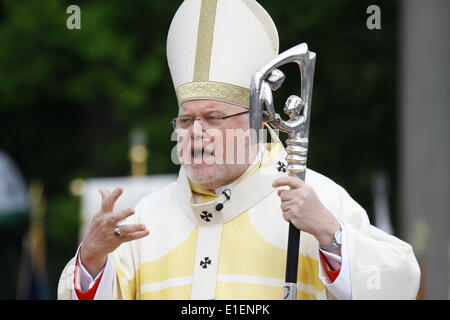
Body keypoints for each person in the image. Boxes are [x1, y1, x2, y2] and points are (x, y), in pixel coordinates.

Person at [58, 0, 420, 300]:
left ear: (258, 121)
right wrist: (90, 260)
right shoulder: (143, 221)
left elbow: (400, 285)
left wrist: (330, 235)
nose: (196, 134)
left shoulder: (316, 201)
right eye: (186, 121)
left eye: (213, 117)